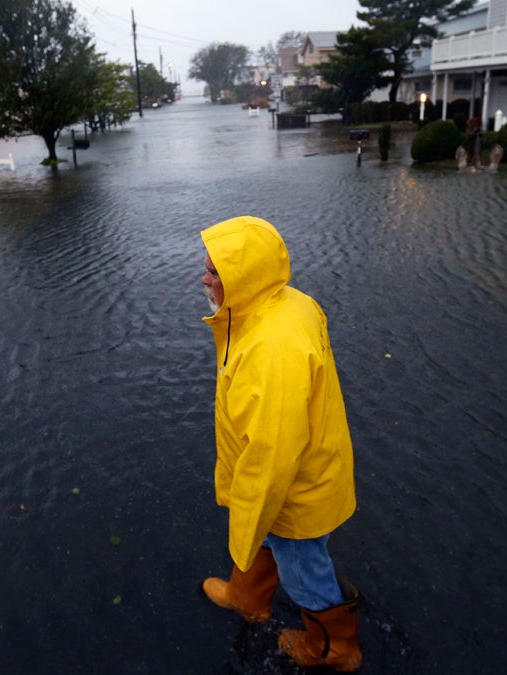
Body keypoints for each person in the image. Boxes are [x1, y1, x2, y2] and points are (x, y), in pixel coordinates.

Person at [198, 215, 361, 671]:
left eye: (215, 271)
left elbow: (270, 458)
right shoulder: (285, 302)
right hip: (312, 465)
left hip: (296, 491)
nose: (204, 277)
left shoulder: (270, 349)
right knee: (272, 542)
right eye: (207, 266)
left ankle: (335, 649)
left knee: (303, 567)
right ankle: (246, 596)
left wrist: (246, 517)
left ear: (243, 277)